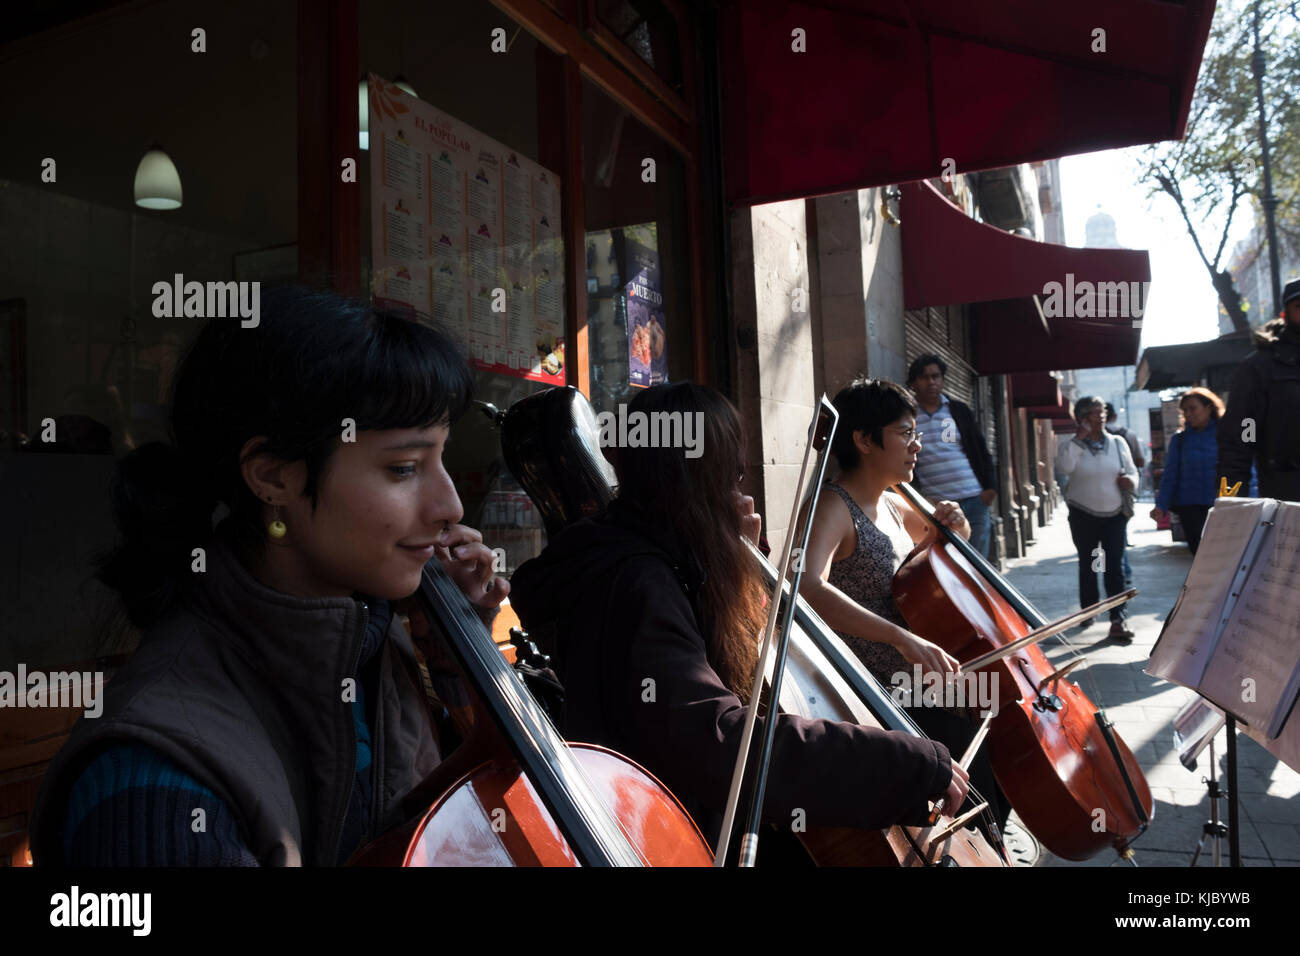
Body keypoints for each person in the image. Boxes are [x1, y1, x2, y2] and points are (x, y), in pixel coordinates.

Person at [31, 287, 509, 866]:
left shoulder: (379, 639)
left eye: (441, 458)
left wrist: (455, 649)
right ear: (273, 476)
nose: (451, 506)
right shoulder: (155, 781)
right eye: (403, 468)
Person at [508, 382, 968, 850]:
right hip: (667, 833)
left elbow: (751, 655)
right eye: (730, 476)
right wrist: (897, 762)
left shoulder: (660, 552)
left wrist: (742, 562)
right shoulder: (638, 584)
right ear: (697, 478)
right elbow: (718, 741)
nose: (738, 490)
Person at [798, 377, 1010, 841]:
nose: (917, 445)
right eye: (905, 433)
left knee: (1002, 728)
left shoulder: (894, 503)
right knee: (968, 755)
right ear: (863, 440)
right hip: (878, 691)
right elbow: (808, 588)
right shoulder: (833, 506)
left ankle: (987, 843)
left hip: (917, 678)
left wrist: (955, 526)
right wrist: (900, 636)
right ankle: (976, 843)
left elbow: (943, 545)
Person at [1054, 396, 1139, 643]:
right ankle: (1089, 611)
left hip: (1114, 515)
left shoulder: (1117, 442)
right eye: (1093, 412)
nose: (1100, 416)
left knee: (1115, 566)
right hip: (1083, 514)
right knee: (1090, 564)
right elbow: (1065, 468)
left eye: (1102, 411)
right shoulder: (1072, 446)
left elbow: (1133, 472)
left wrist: (1131, 482)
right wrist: (1080, 439)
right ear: (1082, 418)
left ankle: (1117, 618)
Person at [906, 354, 997, 560]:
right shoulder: (909, 417)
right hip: (937, 508)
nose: (931, 382)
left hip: (974, 500)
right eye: (924, 377)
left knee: (978, 567)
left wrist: (990, 489)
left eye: (936, 376)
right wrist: (920, 498)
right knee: (948, 564)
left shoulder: (958, 410)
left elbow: (981, 451)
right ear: (913, 383)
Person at [1218, 277, 1300, 502]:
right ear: (1285, 314)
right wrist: (1232, 500)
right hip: (1289, 501)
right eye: (1299, 306)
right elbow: (1243, 434)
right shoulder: (1260, 368)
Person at [1149, 388, 1224, 556]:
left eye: (1193, 408)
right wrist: (1161, 506)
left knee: (1223, 555)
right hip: (1190, 507)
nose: (1189, 414)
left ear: (1209, 407)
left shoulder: (1226, 435)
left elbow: (1243, 468)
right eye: (1185, 410)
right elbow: (1170, 476)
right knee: (1199, 556)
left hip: (1222, 504)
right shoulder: (1180, 440)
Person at [1105, 403, 1144, 587]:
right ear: (1114, 415)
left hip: (1100, 495)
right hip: (1123, 492)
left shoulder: (1089, 438)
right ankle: (1124, 573)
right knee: (1117, 538)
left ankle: (1116, 573)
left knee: (1111, 540)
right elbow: (1140, 461)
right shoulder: (1128, 434)